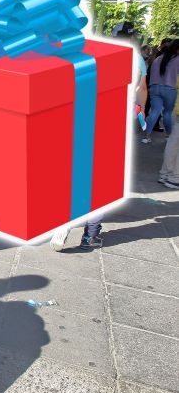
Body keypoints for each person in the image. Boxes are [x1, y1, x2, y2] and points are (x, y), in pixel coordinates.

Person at [50, 34, 150, 251]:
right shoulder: (137, 59)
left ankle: (63, 222)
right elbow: (141, 89)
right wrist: (141, 111)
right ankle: (90, 236)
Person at [143, 39, 178, 144]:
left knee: (154, 112)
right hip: (169, 89)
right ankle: (168, 136)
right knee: (167, 113)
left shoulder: (158, 58)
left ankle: (147, 137)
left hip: (154, 88)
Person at [156, 39, 179, 189]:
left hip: (172, 102)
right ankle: (173, 176)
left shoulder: (164, 59)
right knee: (175, 143)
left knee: (173, 141)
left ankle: (166, 174)